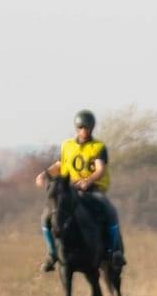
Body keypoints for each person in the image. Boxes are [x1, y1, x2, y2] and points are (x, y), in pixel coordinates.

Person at [36, 110, 126, 272]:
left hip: (93, 188)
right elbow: (60, 165)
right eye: (82, 128)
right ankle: (52, 254)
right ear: (77, 129)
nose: (85, 131)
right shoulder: (67, 146)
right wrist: (45, 174)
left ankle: (115, 252)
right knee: (46, 217)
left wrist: (88, 181)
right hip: (70, 190)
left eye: (88, 128)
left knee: (110, 210)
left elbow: (100, 169)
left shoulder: (98, 147)